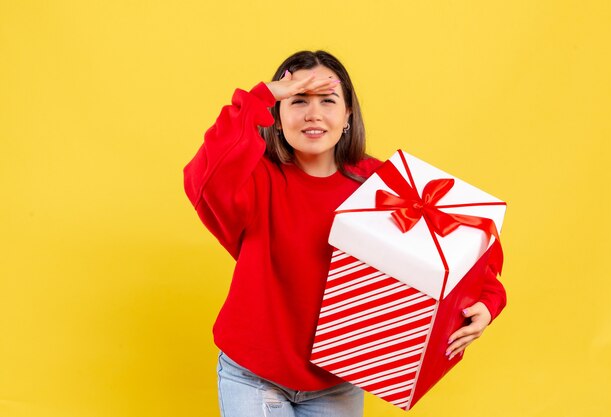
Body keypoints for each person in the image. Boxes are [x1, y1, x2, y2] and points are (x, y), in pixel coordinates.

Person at [183, 50, 506, 417]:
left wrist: (488, 299)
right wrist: (259, 97)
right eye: (297, 100)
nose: (313, 114)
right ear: (277, 115)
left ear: (348, 114)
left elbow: (464, 241)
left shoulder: (382, 185)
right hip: (255, 375)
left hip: (337, 380)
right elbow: (206, 178)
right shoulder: (257, 178)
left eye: (327, 100)